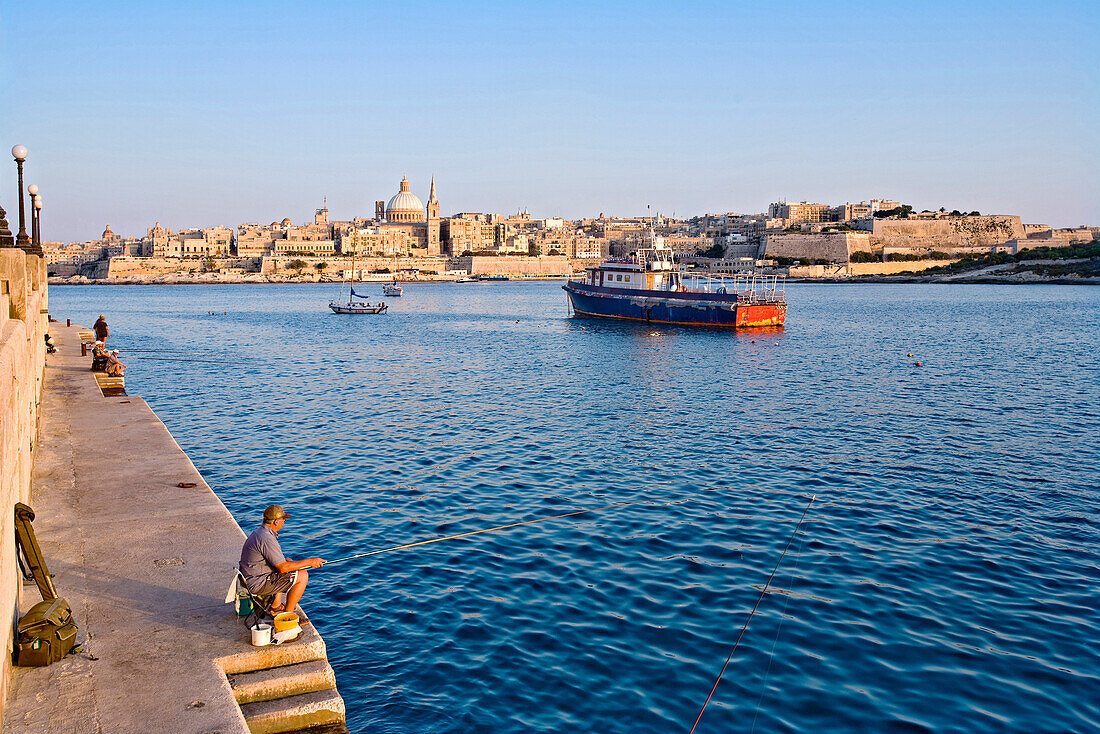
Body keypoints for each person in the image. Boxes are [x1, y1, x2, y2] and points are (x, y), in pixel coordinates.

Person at [239, 505, 324, 621]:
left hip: (249, 577)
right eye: (284, 519)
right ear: (276, 522)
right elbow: (283, 568)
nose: (284, 522)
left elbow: (283, 564)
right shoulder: (266, 538)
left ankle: (275, 606)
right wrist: (311, 562)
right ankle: (288, 616)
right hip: (256, 583)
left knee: (288, 561)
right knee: (302, 576)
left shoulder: (260, 532)